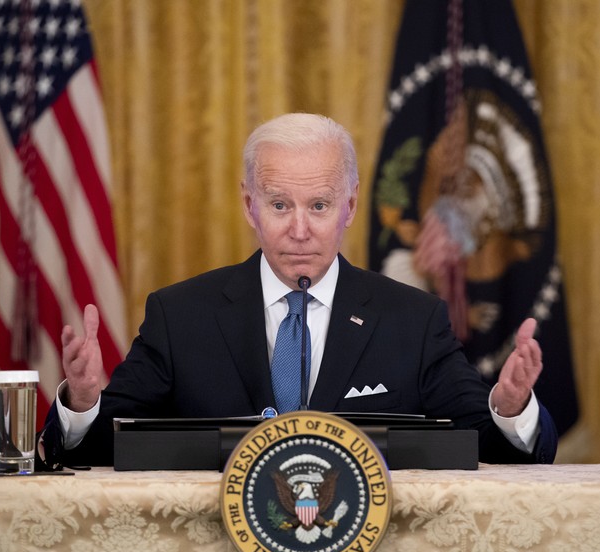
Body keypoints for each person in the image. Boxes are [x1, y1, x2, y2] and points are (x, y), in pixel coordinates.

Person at [38, 113, 557, 469]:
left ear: (350, 208)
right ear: (250, 207)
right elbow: (96, 453)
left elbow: (491, 451)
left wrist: (510, 407)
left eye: (319, 206)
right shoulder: (181, 316)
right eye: (280, 205)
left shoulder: (412, 320)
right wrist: (83, 403)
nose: (300, 229)